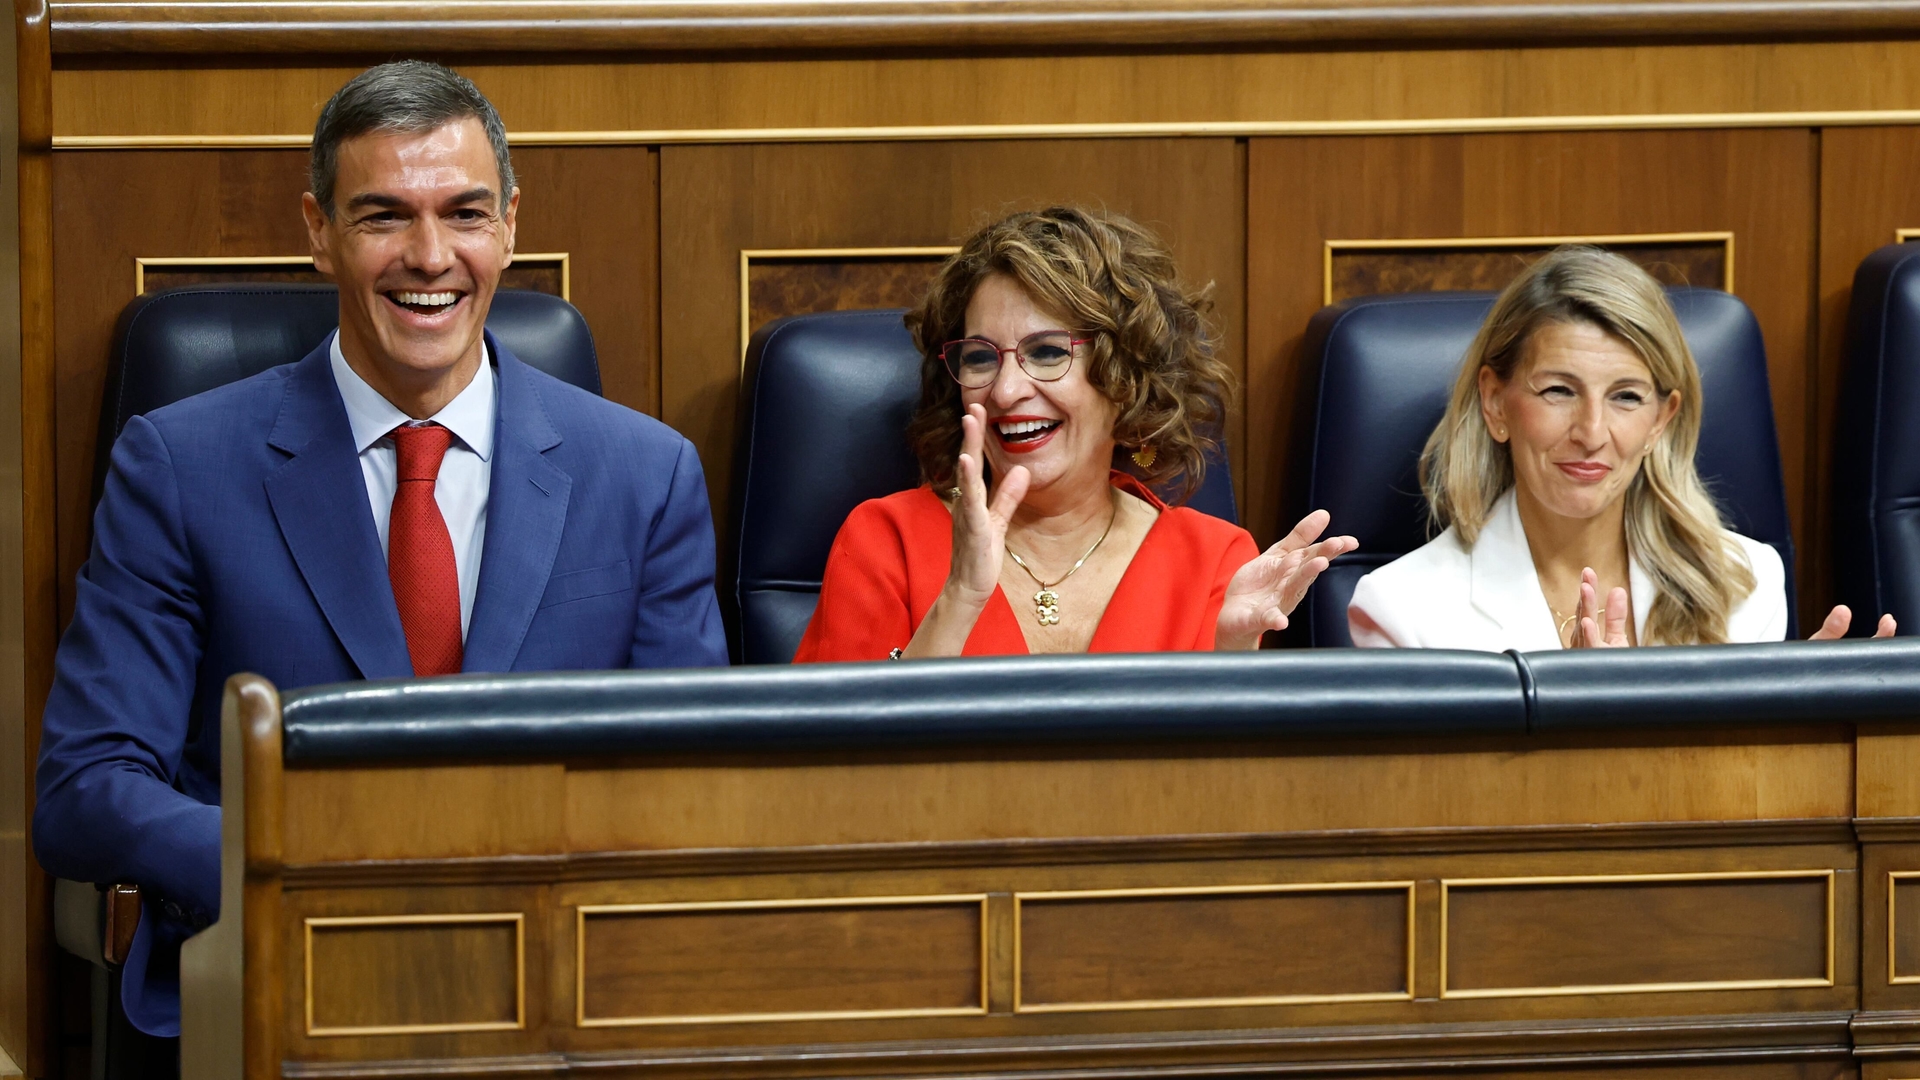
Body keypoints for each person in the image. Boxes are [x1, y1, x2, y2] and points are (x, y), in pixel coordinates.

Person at [33, 61, 728, 1040]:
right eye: (384, 216)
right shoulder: (182, 466)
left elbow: (691, 779)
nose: (430, 254)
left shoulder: (644, 474)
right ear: (318, 230)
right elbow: (87, 788)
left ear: (512, 225)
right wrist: (302, 864)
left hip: (562, 991)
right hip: (282, 980)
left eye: (466, 213)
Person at [795, 206, 1355, 660]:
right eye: (980, 357)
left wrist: (1231, 656)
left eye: (1047, 352)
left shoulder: (1212, 559)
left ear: (1124, 377)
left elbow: (1225, 788)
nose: (1007, 390)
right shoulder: (885, 542)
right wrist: (959, 600)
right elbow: (836, 775)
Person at [1348, 245, 1893, 650]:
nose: (1592, 431)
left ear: (1662, 419)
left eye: (1627, 397)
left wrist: (1798, 744)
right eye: (1558, 390)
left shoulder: (1744, 584)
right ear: (1495, 403)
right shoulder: (1401, 612)